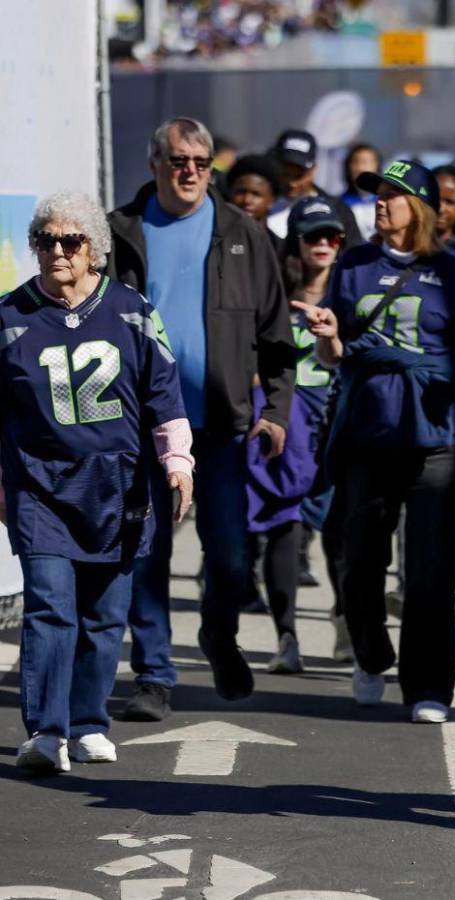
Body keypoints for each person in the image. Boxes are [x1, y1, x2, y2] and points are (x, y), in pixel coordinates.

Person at [293, 159, 455, 724]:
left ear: (421, 207)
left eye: (393, 194)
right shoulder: (355, 265)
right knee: (358, 558)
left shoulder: (454, 272)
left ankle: (429, 686)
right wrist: (328, 338)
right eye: (378, 194)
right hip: (368, 431)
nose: (381, 204)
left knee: (430, 567)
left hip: (437, 433)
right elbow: (335, 356)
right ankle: (369, 655)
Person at [108, 116, 295, 719]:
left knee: (232, 557)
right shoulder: (119, 232)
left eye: (200, 162)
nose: (189, 171)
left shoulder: (243, 233)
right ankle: (153, 675)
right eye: (177, 160)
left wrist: (277, 411)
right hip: (140, 425)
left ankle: (219, 632)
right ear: (154, 165)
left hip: (220, 427)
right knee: (146, 554)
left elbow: (276, 336)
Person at [5, 192, 194, 772]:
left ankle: (88, 722)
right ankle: (46, 731)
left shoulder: (132, 310)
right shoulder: (9, 316)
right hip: (39, 485)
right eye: (46, 240)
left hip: (118, 485)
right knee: (50, 606)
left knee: (105, 615)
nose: (58, 251)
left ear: (95, 249)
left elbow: (163, 391)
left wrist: (177, 461)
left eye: (72, 240)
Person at [244, 197, 346, 675]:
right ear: (296, 243)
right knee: (285, 524)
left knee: (341, 530)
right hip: (287, 420)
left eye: (332, 236)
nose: (323, 244)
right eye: (313, 236)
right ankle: (286, 637)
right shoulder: (273, 294)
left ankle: (345, 621)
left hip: (340, 418)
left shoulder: (354, 290)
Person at [266, 129, 362, 246]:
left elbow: (353, 251)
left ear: (313, 169)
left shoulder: (338, 211)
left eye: (299, 175)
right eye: (285, 174)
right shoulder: (259, 205)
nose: (292, 183)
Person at [227, 154, 285, 251]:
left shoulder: (280, 249)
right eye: (241, 192)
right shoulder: (213, 241)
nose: (247, 200)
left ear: (272, 201)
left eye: (256, 194)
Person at [339, 142, 381, 240]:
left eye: (366, 162)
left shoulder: (386, 201)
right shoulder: (340, 204)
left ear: (377, 165)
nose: (360, 168)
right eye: (356, 162)